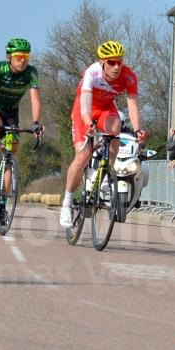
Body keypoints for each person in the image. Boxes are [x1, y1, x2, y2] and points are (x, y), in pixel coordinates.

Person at [59, 40, 147, 228]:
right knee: (82, 156)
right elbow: (84, 101)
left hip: (107, 108)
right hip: (85, 110)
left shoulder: (129, 76)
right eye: (112, 62)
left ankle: (105, 173)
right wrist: (88, 122)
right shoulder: (92, 72)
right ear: (102, 62)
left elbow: (132, 104)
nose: (116, 67)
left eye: (119, 62)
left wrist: (138, 129)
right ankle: (66, 203)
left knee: (116, 129)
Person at [0, 38, 43, 224]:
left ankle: (2, 204)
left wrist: (36, 122)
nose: (23, 60)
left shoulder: (31, 73)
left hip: (11, 111)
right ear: (9, 57)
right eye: (19, 57)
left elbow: (35, 100)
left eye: (26, 56)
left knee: (10, 153)